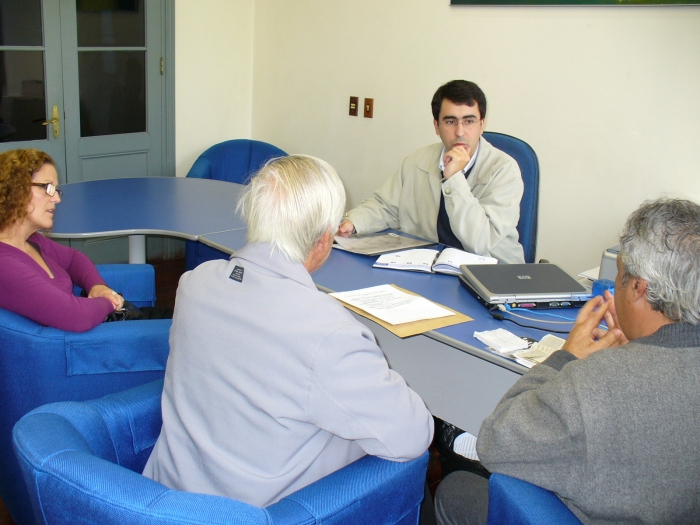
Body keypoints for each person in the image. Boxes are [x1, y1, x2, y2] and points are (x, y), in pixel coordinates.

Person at [143, 154, 434, 507]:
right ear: (324, 240)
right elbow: (413, 435)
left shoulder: (194, 284)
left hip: (164, 499)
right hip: (255, 513)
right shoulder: (329, 334)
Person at [434, 198, 700, 525]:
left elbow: (496, 442)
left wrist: (565, 358)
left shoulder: (597, 380)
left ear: (637, 288)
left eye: (619, 276)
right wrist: (642, 353)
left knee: (456, 489)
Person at [339, 80, 524, 263]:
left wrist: (454, 178)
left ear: (482, 124)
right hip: (432, 264)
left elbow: (480, 241)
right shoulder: (418, 161)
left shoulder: (504, 170)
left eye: (469, 121)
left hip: (491, 271)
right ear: (437, 126)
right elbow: (386, 207)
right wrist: (353, 222)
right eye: (450, 121)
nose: (460, 132)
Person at [0, 148, 124, 332]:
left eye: (56, 190)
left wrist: (98, 287)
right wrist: (109, 302)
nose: (57, 198)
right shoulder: (6, 265)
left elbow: (73, 258)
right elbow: (77, 317)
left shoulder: (31, 240)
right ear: (15, 189)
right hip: (86, 344)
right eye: (47, 187)